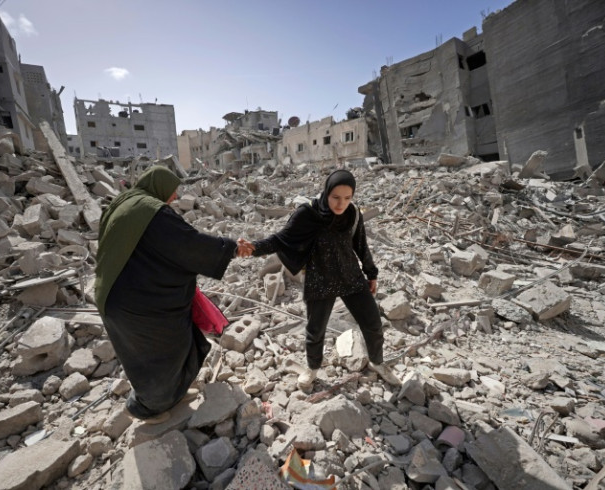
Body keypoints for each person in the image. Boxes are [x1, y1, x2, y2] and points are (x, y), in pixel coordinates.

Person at [94, 165, 251, 423]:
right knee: (161, 354)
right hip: (136, 304)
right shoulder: (152, 212)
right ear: (161, 188)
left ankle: (172, 395)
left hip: (115, 295)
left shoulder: (124, 204)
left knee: (160, 348)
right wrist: (231, 247)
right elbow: (189, 245)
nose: (176, 197)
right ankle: (146, 407)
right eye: (173, 191)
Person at [240, 169, 398, 391]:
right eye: (336, 197)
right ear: (326, 192)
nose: (341, 203)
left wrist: (371, 273)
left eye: (347, 198)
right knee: (315, 331)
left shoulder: (352, 213)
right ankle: (312, 368)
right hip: (320, 278)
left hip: (350, 277)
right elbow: (280, 240)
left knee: (373, 324)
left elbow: (361, 245)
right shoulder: (308, 213)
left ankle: (377, 362)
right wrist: (254, 248)